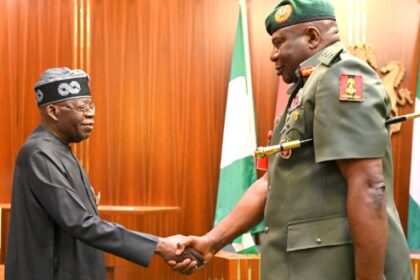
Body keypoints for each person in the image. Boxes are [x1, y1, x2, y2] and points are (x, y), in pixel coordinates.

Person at [171, 0, 415, 279]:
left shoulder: (341, 75)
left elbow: (369, 185)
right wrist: (211, 242)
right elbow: (270, 183)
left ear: (312, 37)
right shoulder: (308, 88)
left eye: (279, 43)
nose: (273, 55)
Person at [5, 67, 201, 280]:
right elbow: (79, 222)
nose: (91, 113)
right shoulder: (39, 152)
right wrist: (159, 245)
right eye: (82, 107)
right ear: (53, 111)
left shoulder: (58, 149)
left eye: (91, 105)